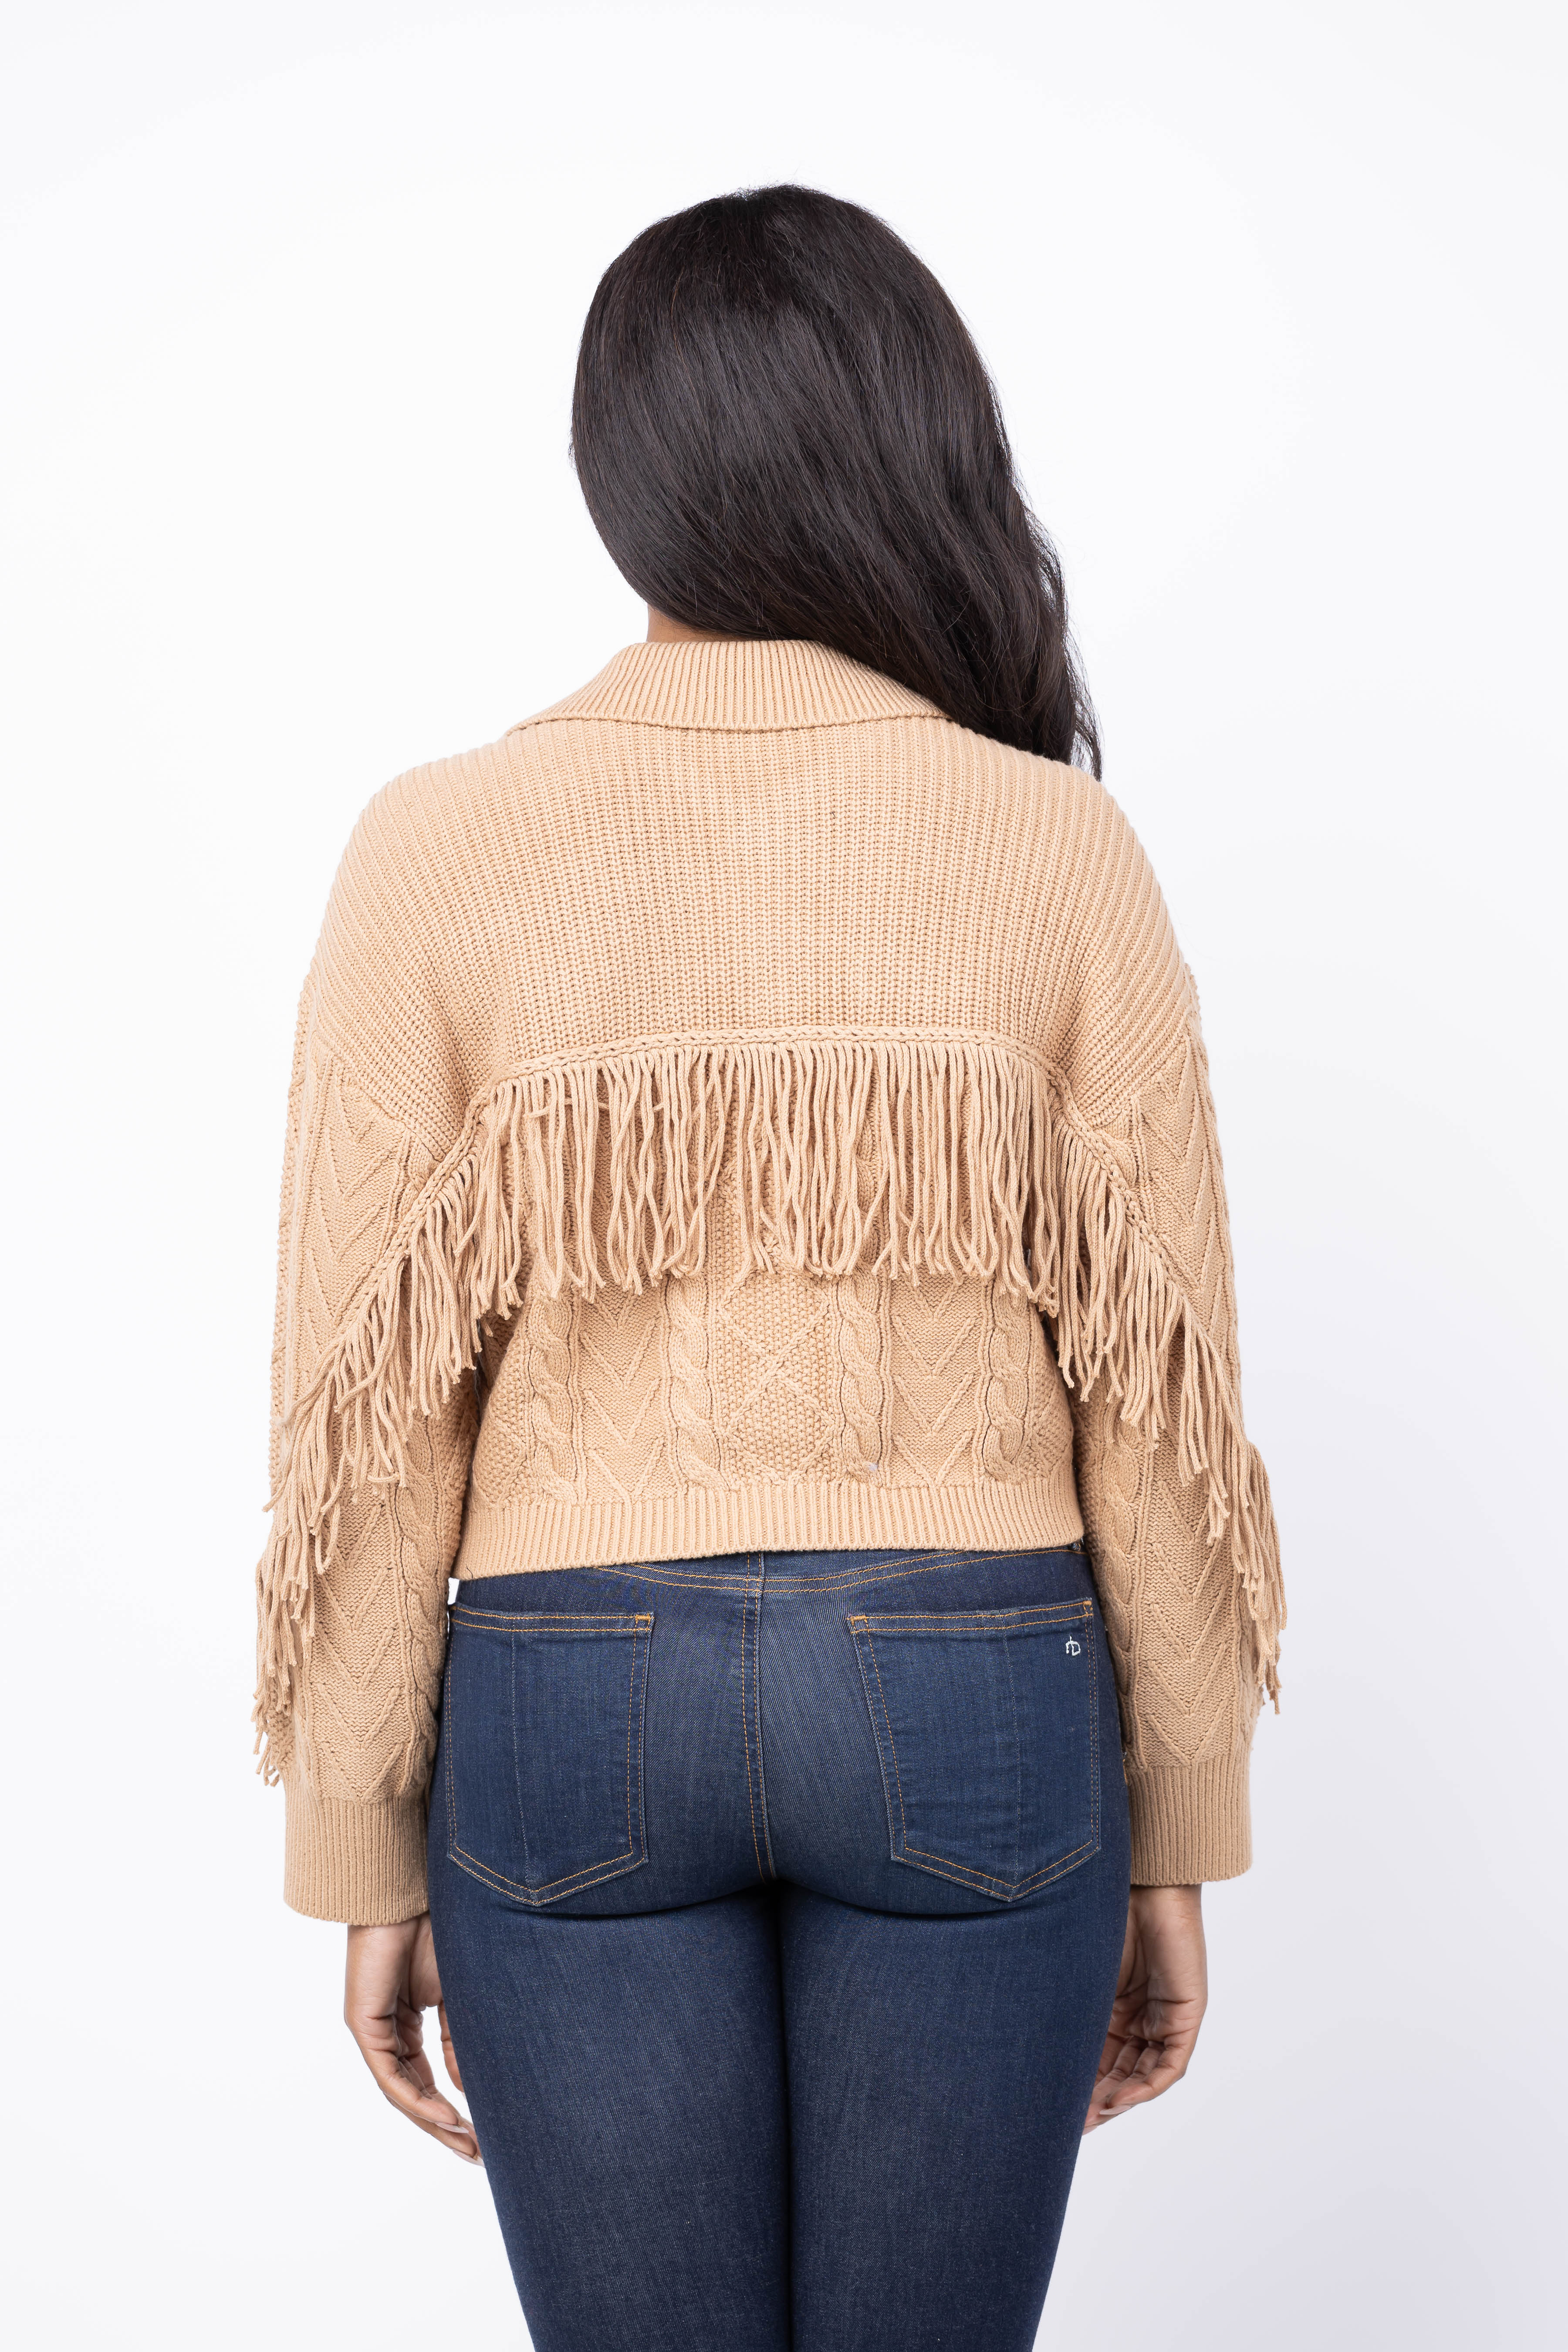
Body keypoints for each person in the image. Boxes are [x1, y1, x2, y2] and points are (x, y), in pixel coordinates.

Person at [254, 184, 1284, 2352]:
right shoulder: (1057, 845)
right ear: (912, 440)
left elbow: (361, 1404)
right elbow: (1165, 1383)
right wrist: (1179, 1824)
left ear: (622, 473)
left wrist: (360, 1844)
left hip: (567, 1689)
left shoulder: (433, 846)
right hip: (976, 1674)